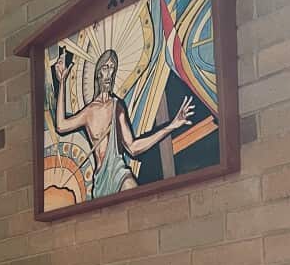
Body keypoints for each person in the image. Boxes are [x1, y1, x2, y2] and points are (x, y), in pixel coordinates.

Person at [52, 48, 194, 199]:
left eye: (112, 67)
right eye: (105, 68)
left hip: (119, 172)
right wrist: (62, 83)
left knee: (133, 191)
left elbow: (132, 148)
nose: (109, 73)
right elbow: (61, 126)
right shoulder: (90, 111)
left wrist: (172, 126)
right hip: (101, 181)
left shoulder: (117, 106)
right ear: (98, 73)